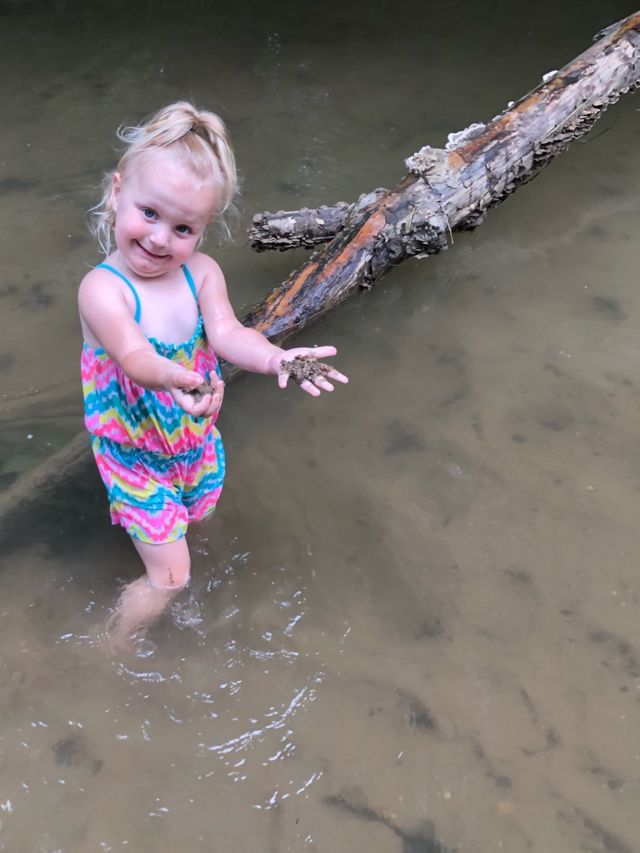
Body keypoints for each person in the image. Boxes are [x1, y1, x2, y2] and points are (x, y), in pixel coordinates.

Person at [78, 102, 347, 649]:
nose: (160, 239)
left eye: (183, 228)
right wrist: (177, 378)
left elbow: (228, 333)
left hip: (194, 439)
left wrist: (277, 359)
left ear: (203, 231)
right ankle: (109, 648)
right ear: (117, 193)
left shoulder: (200, 273)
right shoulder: (102, 290)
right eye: (149, 213)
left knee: (200, 520)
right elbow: (134, 356)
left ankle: (182, 543)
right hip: (135, 456)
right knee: (171, 577)